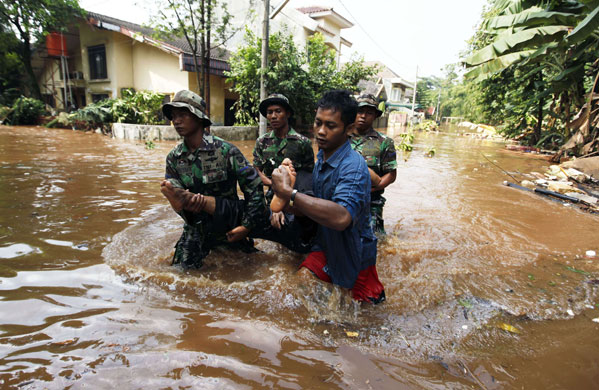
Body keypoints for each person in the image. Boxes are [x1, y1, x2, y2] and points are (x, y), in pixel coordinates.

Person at [271, 90, 385, 304]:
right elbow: (317, 205)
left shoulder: (353, 167)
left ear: (349, 129)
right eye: (318, 123)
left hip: (354, 252)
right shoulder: (323, 156)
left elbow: (342, 217)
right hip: (327, 243)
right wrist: (288, 205)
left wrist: (289, 193)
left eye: (330, 126)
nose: (321, 132)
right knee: (301, 284)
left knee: (362, 315)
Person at [159, 90, 269, 269]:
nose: (176, 121)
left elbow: (255, 189)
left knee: (251, 271)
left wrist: (246, 227)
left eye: (182, 115)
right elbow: (178, 198)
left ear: (198, 117)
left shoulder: (226, 151)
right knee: (180, 274)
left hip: (228, 225)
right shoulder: (174, 157)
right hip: (196, 229)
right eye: (173, 116)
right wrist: (181, 201)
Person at [253, 93, 315, 228]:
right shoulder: (262, 142)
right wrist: (276, 187)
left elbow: (309, 176)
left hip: (295, 199)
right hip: (271, 198)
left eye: (278, 111)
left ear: (287, 113)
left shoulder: (302, 143)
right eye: (269, 112)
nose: (273, 116)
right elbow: (256, 171)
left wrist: (286, 195)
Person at [350, 93, 397, 234]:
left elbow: (391, 174)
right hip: (341, 199)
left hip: (372, 202)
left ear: (375, 116)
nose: (363, 116)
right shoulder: (340, 137)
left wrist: (375, 188)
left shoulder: (384, 142)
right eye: (360, 111)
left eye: (369, 113)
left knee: (376, 240)